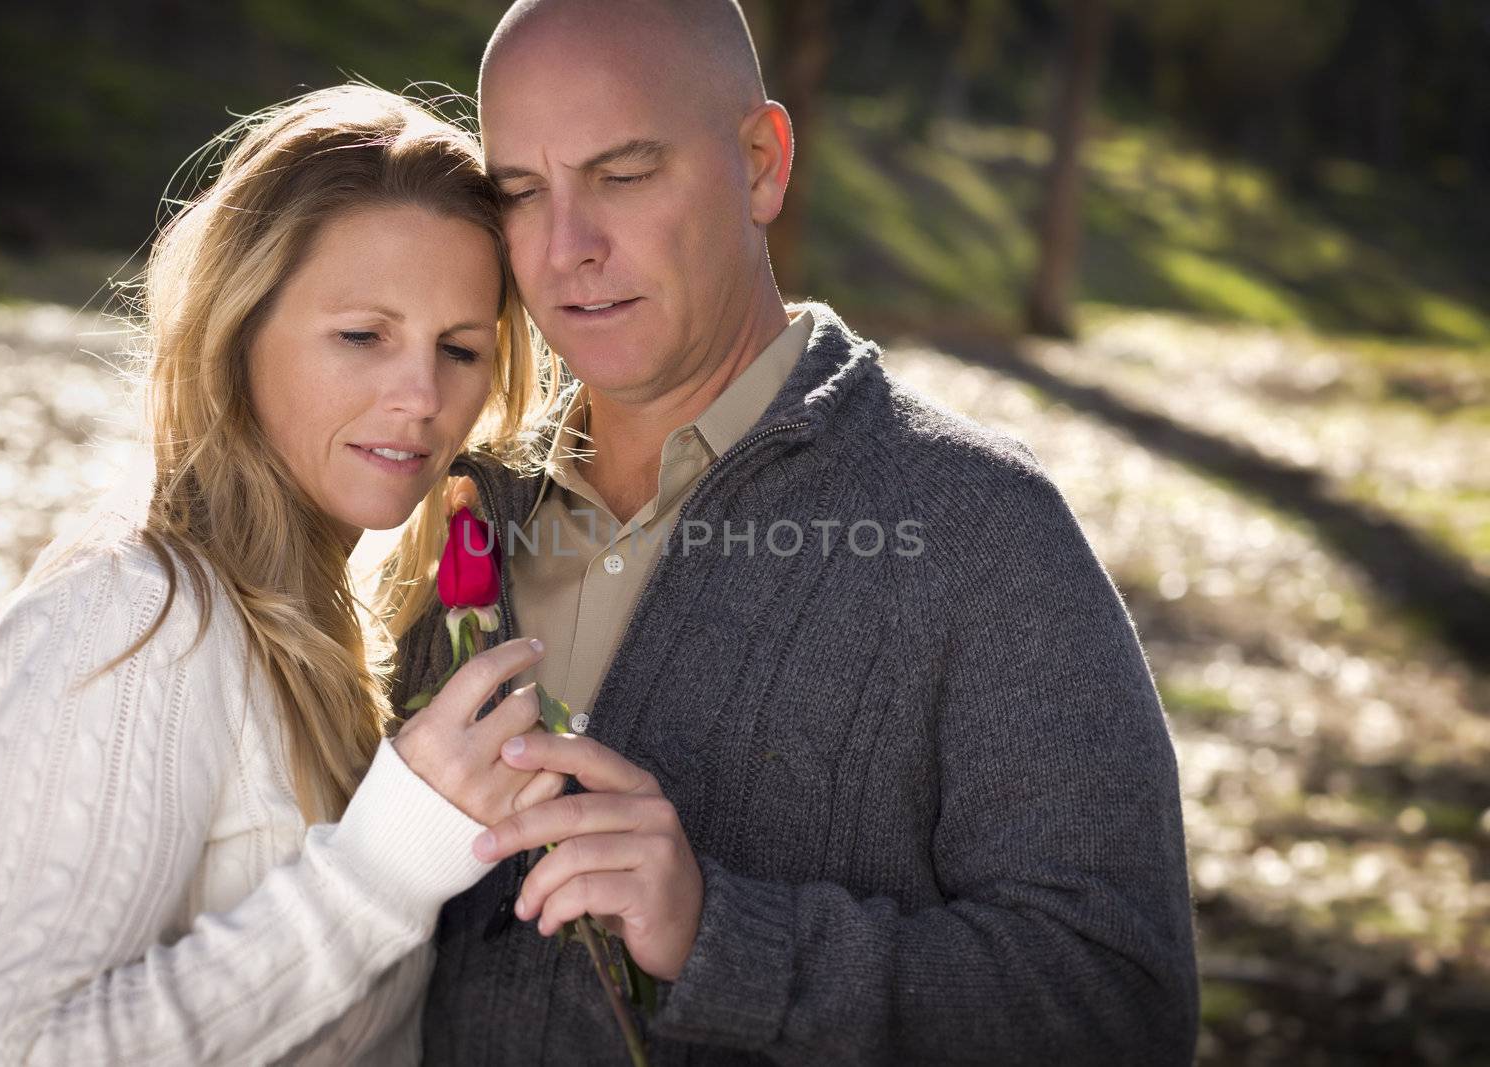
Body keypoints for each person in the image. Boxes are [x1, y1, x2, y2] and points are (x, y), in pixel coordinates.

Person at [394, 1, 1200, 1064]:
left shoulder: (978, 527)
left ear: (763, 164)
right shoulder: (459, 509)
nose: (566, 249)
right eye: (521, 193)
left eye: (624, 175)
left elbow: (1119, 1007)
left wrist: (723, 935)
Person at [0, 84, 568, 1065]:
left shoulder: (327, 599)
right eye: (363, 334)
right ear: (238, 324)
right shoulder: (132, 610)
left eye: (458, 349)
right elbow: (22, 1049)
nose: (420, 396)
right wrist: (388, 862)